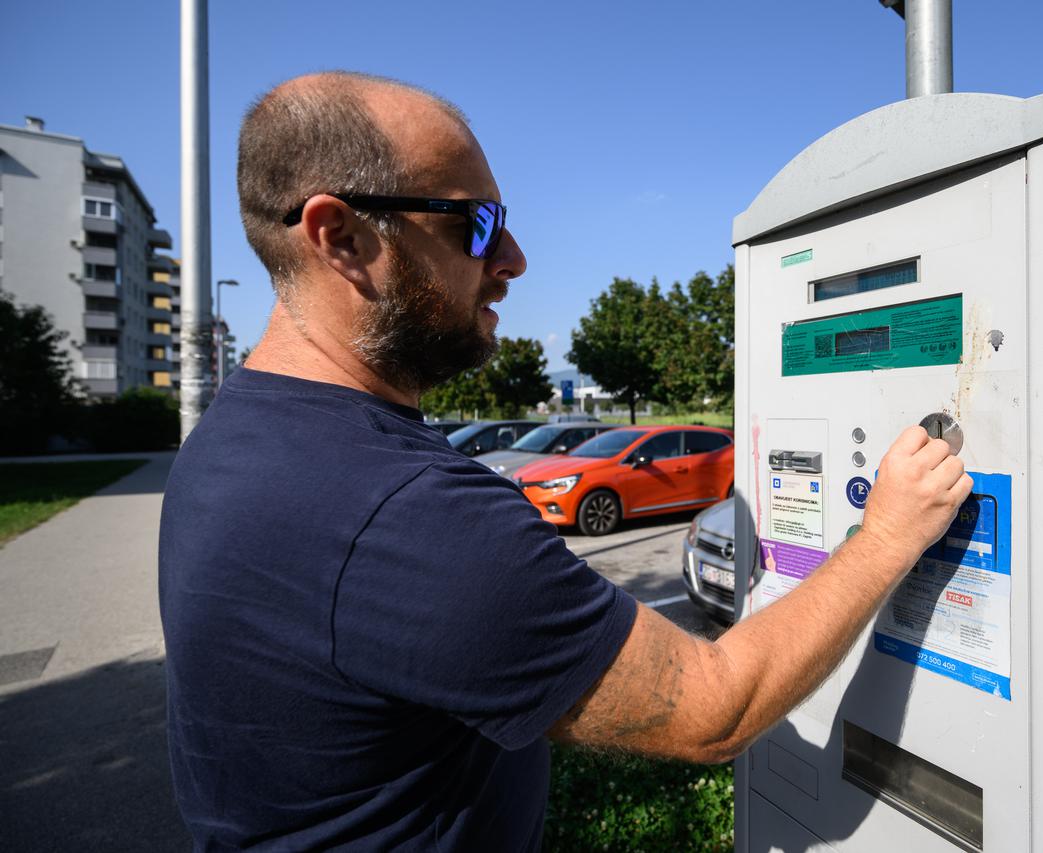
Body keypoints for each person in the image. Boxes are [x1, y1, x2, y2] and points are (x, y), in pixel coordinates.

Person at [158, 71, 972, 851]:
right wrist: (888, 534)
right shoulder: (408, 513)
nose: (511, 257)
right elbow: (715, 706)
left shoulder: (224, 445)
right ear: (342, 237)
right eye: (473, 224)